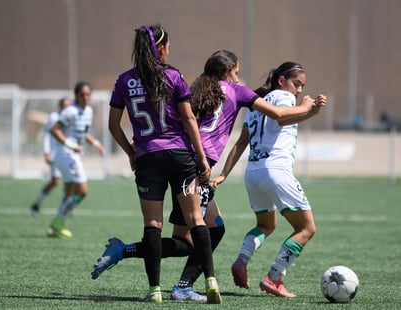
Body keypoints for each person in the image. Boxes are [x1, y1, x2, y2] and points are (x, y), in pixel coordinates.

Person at [91, 49, 317, 302]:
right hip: (194, 168)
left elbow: (179, 117)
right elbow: (279, 114)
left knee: (184, 242)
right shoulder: (236, 92)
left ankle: (123, 251)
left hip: (179, 162)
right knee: (213, 229)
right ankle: (181, 286)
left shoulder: (197, 89)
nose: (238, 79)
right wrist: (309, 107)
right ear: (226, 72)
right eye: (236, 73)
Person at [91, 23, 222, 304]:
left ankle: (155, 292)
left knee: (152, 223)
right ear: (161, 48)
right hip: (180, 157)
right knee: (196, 219)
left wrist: (131, 152)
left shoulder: (124, 80)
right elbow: (188, 120)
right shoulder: (174, 76)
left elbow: (113, 124)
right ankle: (211, 281)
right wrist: (200, 156)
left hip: (148, 158)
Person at [210, 61, 327, 297]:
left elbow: (241, 142)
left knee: (266, 225)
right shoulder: (283, 97)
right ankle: (274, 277)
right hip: (276, 171)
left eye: (302, 86)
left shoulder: (257, 105)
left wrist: (224, 173)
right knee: (306, 228)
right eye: (296, 84)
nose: (299, 90)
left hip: (253, 173)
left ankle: (242, 259)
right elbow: (283, 118)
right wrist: (310, 109)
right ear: (281, 80)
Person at [47, 81, 105, 238]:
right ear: (76, 95)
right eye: (82, 95)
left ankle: (57, 225)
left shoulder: (89, 112)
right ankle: (58, 222)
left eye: (88, 94)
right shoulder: (70, 111)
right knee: (82, 191)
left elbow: (83, 132)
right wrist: (69, 144)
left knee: (71, 190)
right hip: (65, 154)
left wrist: (96, 143)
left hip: (73, 155)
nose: (85, 97)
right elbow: (54, 130)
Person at [30, 97, 71, 217]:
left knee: (70, 182)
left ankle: (64, 208)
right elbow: (47, 135)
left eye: (68, 105)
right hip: (56, 154)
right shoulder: (54, 117)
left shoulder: (70, 117)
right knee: (55, 181)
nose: (66, 108)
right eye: (64, 105)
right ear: (60, 106)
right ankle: (37, 204)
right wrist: (47, 152)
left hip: (68, 154)